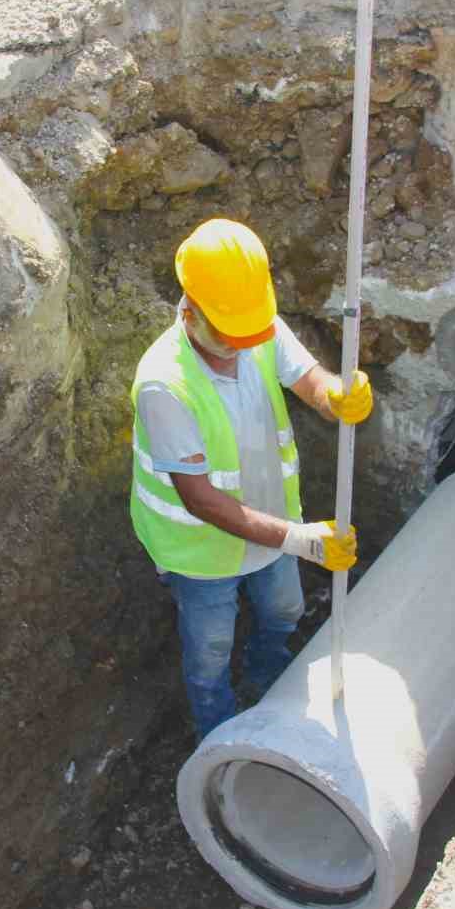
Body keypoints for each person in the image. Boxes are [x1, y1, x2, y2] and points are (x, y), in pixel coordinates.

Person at [129, 218, 373, 740]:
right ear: (190, 311)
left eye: (250, 333)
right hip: (200, 551)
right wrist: (300, 539)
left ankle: (268, 677)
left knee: (285, 608)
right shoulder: (164, 385)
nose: (241, 344)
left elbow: (307, 379)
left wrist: (334, 395)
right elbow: (202, 502)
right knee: (210, 650)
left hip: (270, 525)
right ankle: (219, 731)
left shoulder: (251, 325)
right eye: (229, 335)